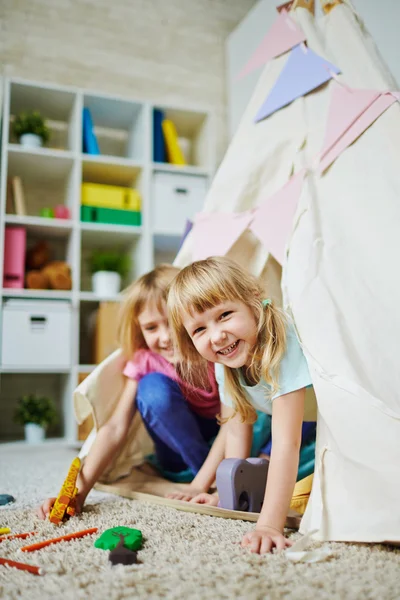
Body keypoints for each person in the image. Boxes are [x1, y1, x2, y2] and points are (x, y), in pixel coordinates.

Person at [37, 264, 220, 520]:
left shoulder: (216, 348)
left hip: (227, 440)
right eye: (151, 328)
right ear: (139, 329)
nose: (165, 337)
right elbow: (114, 428)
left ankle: (223, 475)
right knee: (152, 388)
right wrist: (77, 493)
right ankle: (212, 479)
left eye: (172, 322)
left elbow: (242, 419)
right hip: (181, 458)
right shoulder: (146, 361)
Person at [167, 256, 315, 554]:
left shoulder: (281, 340)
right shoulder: (226, 360)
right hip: (297, 424)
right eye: (199, 330)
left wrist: (269, 525)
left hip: (322, 427)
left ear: (253, 301)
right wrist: (225, 493)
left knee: (315, 488)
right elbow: (235, 431)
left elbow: (288, 442)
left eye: (224, 315)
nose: (217, 335)